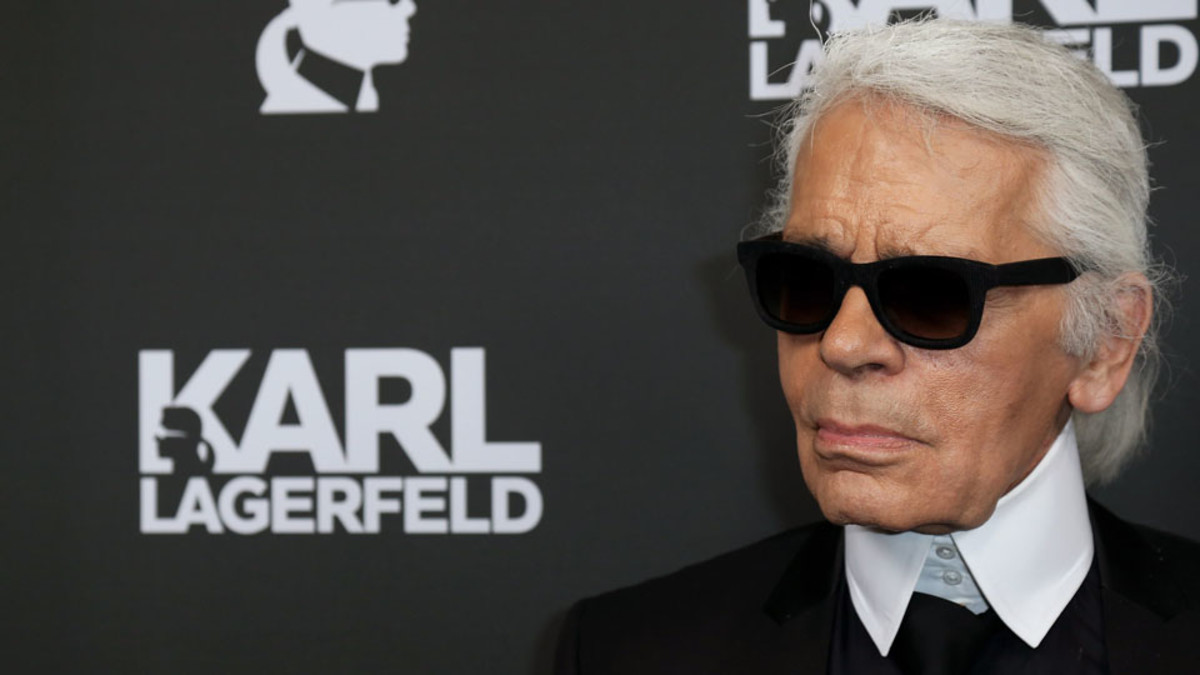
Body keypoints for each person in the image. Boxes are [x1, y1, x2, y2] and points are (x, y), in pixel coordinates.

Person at [555, 19, 1200, 675]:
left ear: (1106, 341)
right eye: (806, 280)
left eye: (933, 294)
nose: (843, 343)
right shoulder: (622, 653)